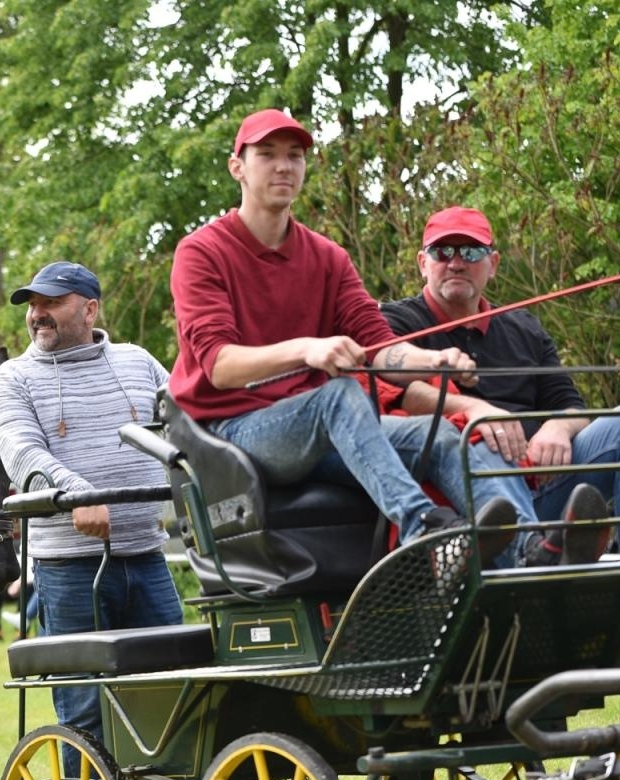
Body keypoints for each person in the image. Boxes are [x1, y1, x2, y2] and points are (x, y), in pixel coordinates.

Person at [167, 109, 530, 561]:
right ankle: (425, 529)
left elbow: (378, 348)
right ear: (237, 166)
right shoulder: (202, 252)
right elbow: (220, 367)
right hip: (232, 435)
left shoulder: (328, 257)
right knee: (339, 395)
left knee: (442, 435)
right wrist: (307, 349)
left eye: (295, 155)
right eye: (267, 154)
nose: (284, 166)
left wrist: (433, 362)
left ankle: (532, 552)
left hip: (317, 430)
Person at [382, 206, 620, 561]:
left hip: (542, 480)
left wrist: (557, 428)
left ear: (492, 264)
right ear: (422, 262)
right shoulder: (396, 322)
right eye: (443, 251)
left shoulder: (525, 328)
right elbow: (394, 394)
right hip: (466, 511)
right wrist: (476, 411)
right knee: (478, 441)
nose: (456, 262)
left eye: (471, 252)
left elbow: (572, 405)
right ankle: (528, 556)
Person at [0, 261, 185, 755]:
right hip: (68, 569)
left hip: (146, 557)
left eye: (52, 302)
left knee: (176, 693)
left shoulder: (138, 362)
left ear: (90, 308)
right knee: (83, 709)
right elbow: (22, 453)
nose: (38, 314)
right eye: (33, 305)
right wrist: (80, 493)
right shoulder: (13, 378)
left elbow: (188, 422)